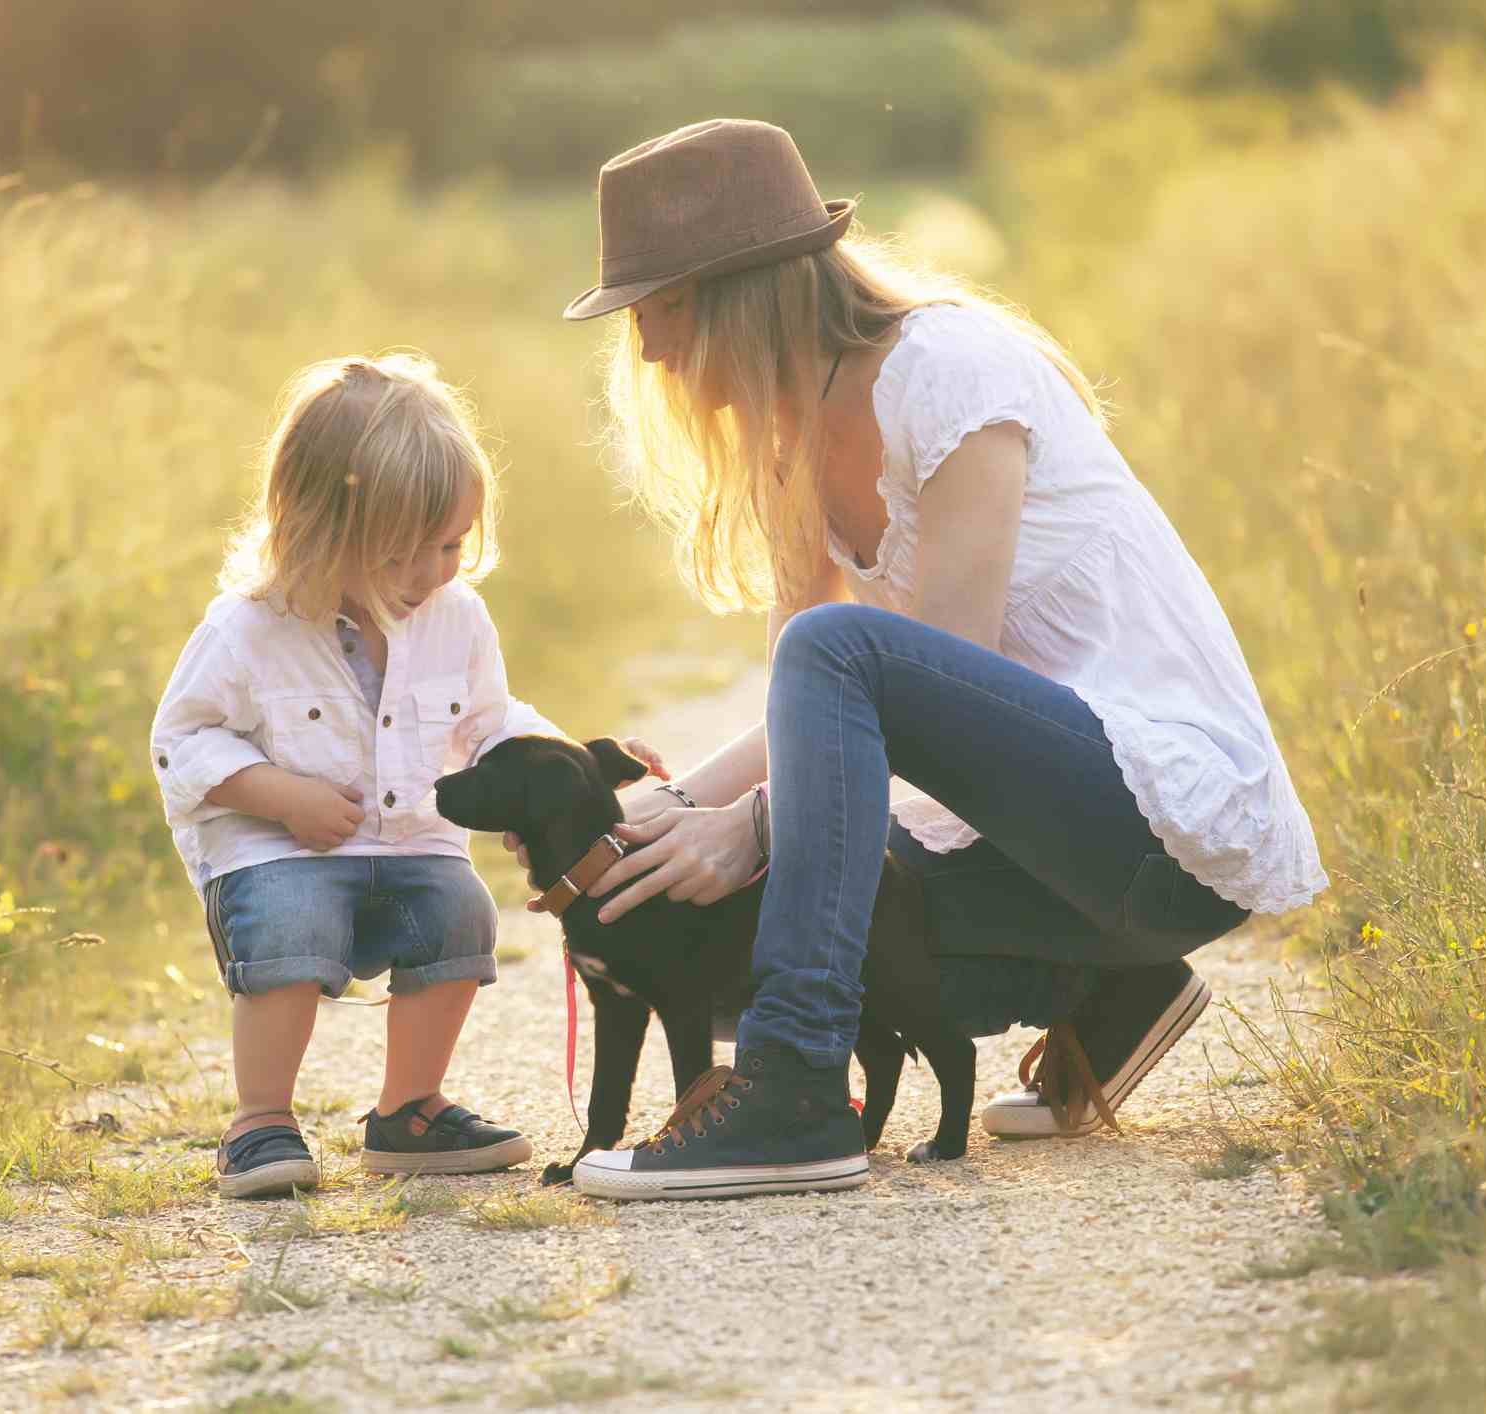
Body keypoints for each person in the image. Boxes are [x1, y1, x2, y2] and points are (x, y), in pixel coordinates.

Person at [549, 120, 1327, 1201]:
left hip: (1160, 823)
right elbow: (807, 717)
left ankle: (795, 1094)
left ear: (746, 290)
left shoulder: (952, 373)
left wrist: (760, 824)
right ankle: (1110, 981)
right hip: (1049, 855)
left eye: (661, 309)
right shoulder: (793, 434)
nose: (647, 350)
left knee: (831, 663)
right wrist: (667, 812)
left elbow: (926, 673)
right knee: (695, 932)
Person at [149, 353, 571, 1197]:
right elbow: (182, 737)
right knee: (291, 929)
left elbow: (490, 722)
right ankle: (260, 1122)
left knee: (458, 911)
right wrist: (279, 796)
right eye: (399, 556)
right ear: (317, 534)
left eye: (450, 545)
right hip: (281, 854)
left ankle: (407, 1112)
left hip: (409, 839)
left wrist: (568, 764)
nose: (430, 574)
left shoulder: (457, 619)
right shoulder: (248, 628)